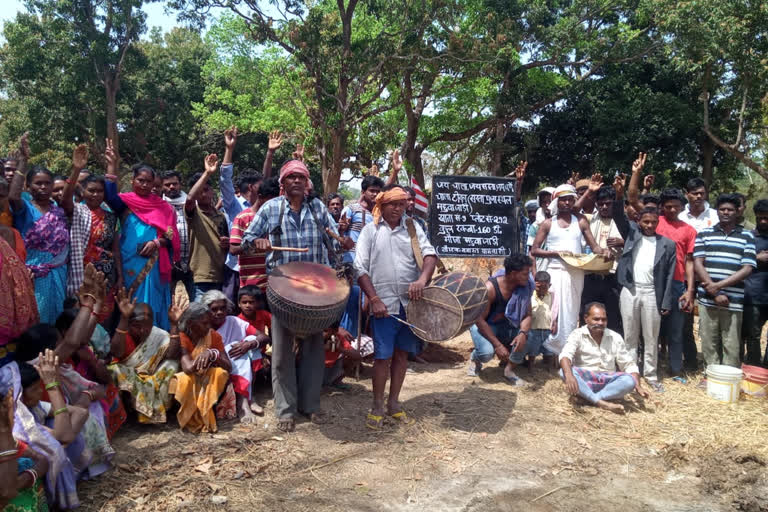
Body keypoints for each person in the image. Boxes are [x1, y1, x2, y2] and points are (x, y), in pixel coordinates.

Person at [241, 159, 342, 432]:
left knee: (313, 349)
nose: (296, 181)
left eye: (301, 177)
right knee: (283, 352)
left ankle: (310, 406)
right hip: (283, 292)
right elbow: (246, 240)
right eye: (291, 177)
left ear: (307, 183)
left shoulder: (318, 207)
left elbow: (333, 241)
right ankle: (285, 410)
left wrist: (342, 243)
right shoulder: (271, 208)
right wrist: (258, 242)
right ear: (283, 183)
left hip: (315, 291)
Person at [354, 184, 437, 429]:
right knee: (382, 357)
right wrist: (374, 299)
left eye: (402, 204)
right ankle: (377, 406)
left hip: (410, 305)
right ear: (382, 204)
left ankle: (394, 404)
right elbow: (359, 268)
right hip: (384, 305)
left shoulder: (413, 228)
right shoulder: (370, 231)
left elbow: (430, 255)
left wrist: (422, 280)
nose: (398, 209)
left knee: (402, 355)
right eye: (393, 204)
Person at [104, 140, 181, 331]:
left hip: (153, 263)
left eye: (149, 181)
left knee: (153, 302)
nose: (145, 185)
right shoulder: (125, 202)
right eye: (141, 180)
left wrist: (157, 242)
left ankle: (156, 341)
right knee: (131, 302)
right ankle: (128, 343)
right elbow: (109, 195)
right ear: (133, 181)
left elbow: (173, 237)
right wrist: (111, 165)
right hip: (129, 262)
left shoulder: (164, 208)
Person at [612, 182, 676, 390]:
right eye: (645, 221)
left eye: (653, 222)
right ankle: (632, 373)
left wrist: (665, 300)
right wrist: (619, 194)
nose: (649, 225)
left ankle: (651, 375)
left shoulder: (667, 244)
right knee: (629, 335)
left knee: (651, 336)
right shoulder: (631, 234)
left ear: (658, 222)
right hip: (630, 290)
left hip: (652, 293)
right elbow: (618, 215)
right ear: (638, 221)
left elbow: (668, 276)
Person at [9, 138, 81, 324]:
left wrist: (76, 169)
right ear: (28, 186)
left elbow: (67, 195)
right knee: (36, 320)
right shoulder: (24, 208)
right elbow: (12, 195)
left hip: (60, 273)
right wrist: (23, 162)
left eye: (47, 183)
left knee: (59, 320)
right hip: (33, 275)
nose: (43, 187)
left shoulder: (60, 208)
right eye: (37, 183)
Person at [530, 184, 608, 354]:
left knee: (572, 312)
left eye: (570, 199)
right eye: (563, 199)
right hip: (554, 273)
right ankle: (549, 351)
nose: (566, 203)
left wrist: (605, 252)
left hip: (575, 273)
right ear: (556, 202)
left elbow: (594, 247)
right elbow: (534, 250)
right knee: (553, 312)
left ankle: (567, 351)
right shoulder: (547, 224)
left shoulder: (580, 221)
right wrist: (556, 253)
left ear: (574, 201)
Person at [694, 194, 756, 368]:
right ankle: (710, 374)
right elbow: (698, 263)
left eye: (730, 210)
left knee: (731, 342)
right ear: (717, 212)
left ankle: (728, 377)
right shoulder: (704, 234)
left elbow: (747, 268)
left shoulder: (747, 236)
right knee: (708, 339)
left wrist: (718, 286)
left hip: (733, 299)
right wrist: (714, 292)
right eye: (722, 209)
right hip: (707, 297)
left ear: (737, 212)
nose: (726, 212)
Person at [108, 290, 183, 424]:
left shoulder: (158, 335)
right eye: (137, 326)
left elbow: (172, 354)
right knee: (114, 370)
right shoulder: (123, 334)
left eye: (147, 326)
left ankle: (161, 410)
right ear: (130, 324)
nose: (143, 330)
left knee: (173, 364)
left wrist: (174, 324)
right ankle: (126, 414)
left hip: (152, 376)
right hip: (130, 378)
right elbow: (116, 353)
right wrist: (124, 318)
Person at [559, 303, 650, 413]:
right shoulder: (577, 334)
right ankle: (601, 402)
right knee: (564, 372)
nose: (600, 323)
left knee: (629, 380)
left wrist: (638, 386)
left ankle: (590, 399)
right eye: (596, 319)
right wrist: (569, 376)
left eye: (604, 320)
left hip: (608, 382)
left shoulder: (615, 337)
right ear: (586, 318)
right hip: (586, 380)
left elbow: (628, 364)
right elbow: (565, 356)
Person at [201, 290, 269, 423]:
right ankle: (245, 401)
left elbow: (264, 337)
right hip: (214, 366)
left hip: (238, 363)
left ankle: (245, 400)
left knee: (248, 341)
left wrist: (249, 344)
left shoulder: (234, 321)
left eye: (222, 308)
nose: (219, 312)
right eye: (214, 309)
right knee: (236, 348)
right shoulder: (202, 325)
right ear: (206, 310)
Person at [653, 188, 699, 375]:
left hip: (677, 284)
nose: (672, 210)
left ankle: (675, 368)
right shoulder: (654, 223)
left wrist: (689, 290)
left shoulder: (689, 231)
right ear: (662, 207)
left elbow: (690, 261)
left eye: (676, 207)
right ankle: (651, 368)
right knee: (652, 328)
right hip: (654, 283)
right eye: (668, 206)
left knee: (676, 329)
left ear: (682, 207)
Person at [466, 255, 534, 380]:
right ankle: (476, 358)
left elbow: (528, 315)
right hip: (484, 325)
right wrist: (498, 345)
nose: (529, 277)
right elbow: (479, 319)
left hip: (507, 325)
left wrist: (523, 333)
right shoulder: (490, 288)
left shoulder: (525, 288)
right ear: (513, 273)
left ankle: (508, 369)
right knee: (486, 353)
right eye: (525, 274)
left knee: (530, 338)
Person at [68, 174, 123, 325]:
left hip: (106, 275)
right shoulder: (75, 213)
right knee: (79, 313)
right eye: (91, 190)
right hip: (80, 273)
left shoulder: (112, 218)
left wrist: (120, 277)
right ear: (83, 192)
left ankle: (102, 347)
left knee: (104, 314)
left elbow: (116, 249)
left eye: (100, 191)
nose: (95, 194)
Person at [170, 303, 233, 433]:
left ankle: (207, 409)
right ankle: (188, 416)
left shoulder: (213, 336)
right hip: (187, 377)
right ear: (191, 323)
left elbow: (228, 366)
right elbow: (188, 368)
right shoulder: (182, 336)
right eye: (204, 323)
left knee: (220, 373)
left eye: (209, 323)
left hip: (206, 377)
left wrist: (213, 353)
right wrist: (204, 355)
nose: (208, 327)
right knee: (184, 379)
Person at [184, 155, 230, 300]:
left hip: (222, 275)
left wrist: (227, 243)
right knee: (201, 317)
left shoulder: (221, 216)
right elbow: (190, 199)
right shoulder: (193, 213)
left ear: (212, 191)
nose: (203, 194)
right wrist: (208, 173)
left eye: (206, 189)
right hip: (200, 277)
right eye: (200, 191)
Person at [579, 184, 624, 333]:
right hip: (591, 275)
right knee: (587, 314)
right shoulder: (589, 219)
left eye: (608, 203)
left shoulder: (623, 221)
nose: (604, 207)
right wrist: (589, 191)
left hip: (613, 276)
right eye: (601, 204)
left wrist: (623, 242)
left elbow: (637, 241)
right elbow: (573, 210)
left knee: (613, 316)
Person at [229, 177, 281, 290]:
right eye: (272, 202)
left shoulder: (278, 217)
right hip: (252, 285)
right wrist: (254, 243)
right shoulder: (242, 217)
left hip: (275, 284)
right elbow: (233, 249)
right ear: (260, 197)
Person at [742, 199, 768, 367]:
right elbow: (737, 261)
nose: (763, 221)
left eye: (767, 218)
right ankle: (754, 368)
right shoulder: (748, 237)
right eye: (760, 218)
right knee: (753, 334)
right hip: (753, 294)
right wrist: (756, 258)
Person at [162, 169, 193, 301]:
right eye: (167, 185)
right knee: (167, 300)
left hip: (191, 262)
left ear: (181, 184)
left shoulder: (192, 204)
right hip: (167, 262)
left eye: (175, 183)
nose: (172, 187)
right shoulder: (159, 206)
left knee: (196, 303)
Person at [339, 174, 383, 263]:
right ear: (363, 192)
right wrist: (342, 228)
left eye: (378, 191)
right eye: (372, 191)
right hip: (352, 260)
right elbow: (340, 235)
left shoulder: (380, 214)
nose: (375, 194)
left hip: (372, 263)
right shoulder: (351, 209)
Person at [529, 270, 557, 369]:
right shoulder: (530, 295)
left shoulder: (552, 296)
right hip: (533, 329)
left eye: (544, 287)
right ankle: (531, 368)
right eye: (538, 287)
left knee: (549, 350)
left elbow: (555, 310)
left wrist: (555, 323)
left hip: (547, 329)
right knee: (532, 350)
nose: (541, 289)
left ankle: (549, 368)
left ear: (549, 285)